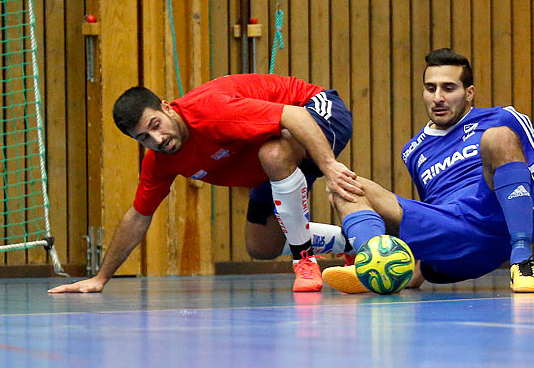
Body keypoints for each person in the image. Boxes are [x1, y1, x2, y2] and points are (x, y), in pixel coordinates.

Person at [321, 48, 534, 294]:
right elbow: (432, 209)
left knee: (498, 137)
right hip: (453, 241)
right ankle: (377, 265)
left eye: (448, 88)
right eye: (430, 88)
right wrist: (415, 271)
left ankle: (522, 262)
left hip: (496, 226)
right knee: (343, 182)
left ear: (469, 93)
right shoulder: (413, 150)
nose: (438, 97)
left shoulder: (502, 118)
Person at [48, 75, 359, 294]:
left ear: (167, 107)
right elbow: (138, 216)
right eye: (144, 138)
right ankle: (353, 242)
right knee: (261, 246)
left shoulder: (211, 112)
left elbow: (294, 116)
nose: (158, 140)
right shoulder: (160, 160)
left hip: (316, 111)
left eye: (156, 125)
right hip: (270, 156)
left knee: (274, 153)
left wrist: (330, 168)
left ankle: (304, 259)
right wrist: (101, 277)